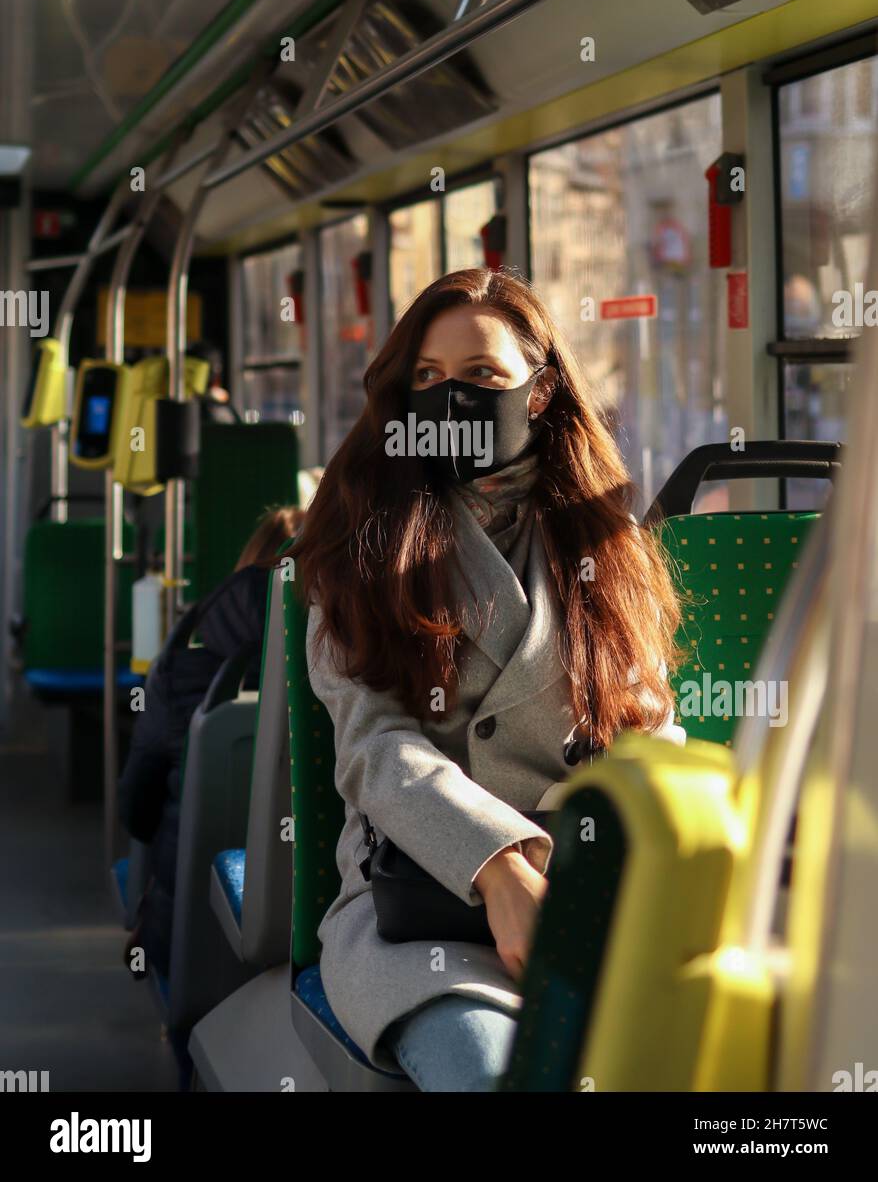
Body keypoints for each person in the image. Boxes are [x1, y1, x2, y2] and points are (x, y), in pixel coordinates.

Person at [292, 267, 686, 1093]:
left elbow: (645, 727)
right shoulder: (358, 549)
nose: (450, 402)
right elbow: (375, 746)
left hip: (591, 899)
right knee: (486, 1074)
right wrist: (498, 865)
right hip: (421, 916)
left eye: (482, 377)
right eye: (428, 379)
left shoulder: (605, 545)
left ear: (538, 395)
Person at [118, 505, 303, 982]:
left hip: (185, 928)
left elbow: (136, 808)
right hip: (319, 931)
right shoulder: (345, 676)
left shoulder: (181, 665)